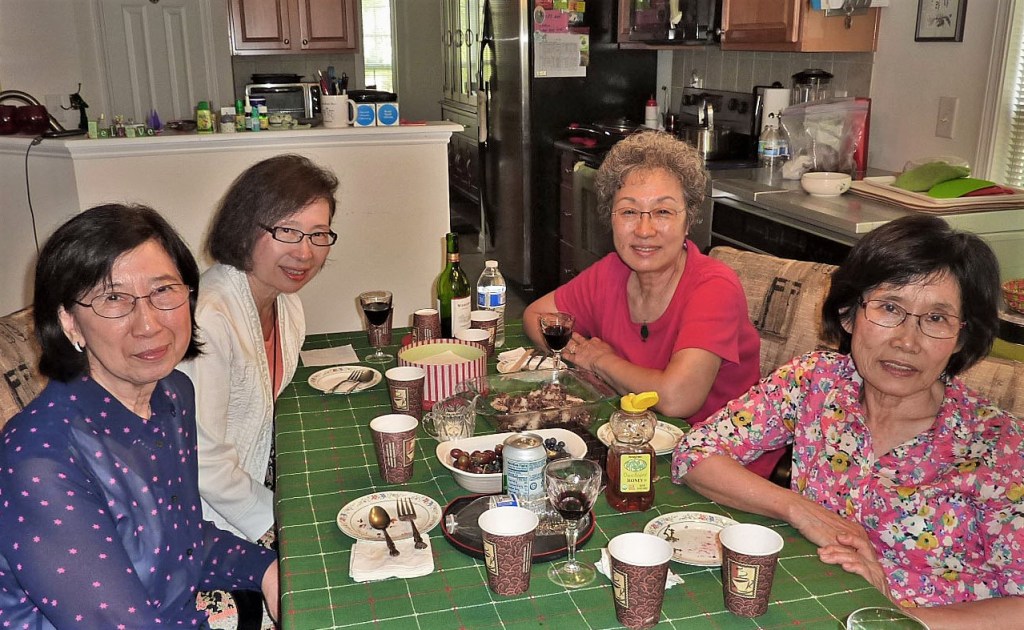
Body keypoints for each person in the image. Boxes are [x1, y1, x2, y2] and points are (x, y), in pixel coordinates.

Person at [673, 214, 1024, 627]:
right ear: (848, 313)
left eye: (935, 319)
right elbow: (694, 453)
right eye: (889, 308)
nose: (906, 341)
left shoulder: (999, 446)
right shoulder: (816, 382)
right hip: (811, 603)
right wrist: (798, 509)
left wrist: (896, 619)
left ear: (962, 337)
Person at [0, 204, 279, 627]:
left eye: (163, 290)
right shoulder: (40, 459)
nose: (148, 324)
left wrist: (267, 570)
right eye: (113, 299)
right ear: (69, 322)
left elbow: (181, 542)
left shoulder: (172, 395)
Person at [523, 131, 776, 477]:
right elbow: (536, 316)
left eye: (663, 212)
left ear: (689, 219)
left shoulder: (713, 287)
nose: (644, 230)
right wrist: (579, 352)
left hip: (721, 464)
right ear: (610, 217)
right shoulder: (611, 271)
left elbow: (677, 398)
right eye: (629, 211)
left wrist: (600, 361)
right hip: (636, 441)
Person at [179, 154, 339, 542]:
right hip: (208, 523)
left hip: (257, 483)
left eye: (319, 234)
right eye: (287, 231)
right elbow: (202, 462)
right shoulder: (209, 318)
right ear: (244, 228)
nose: (305, 253)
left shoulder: (288, 305)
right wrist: (281, 523)